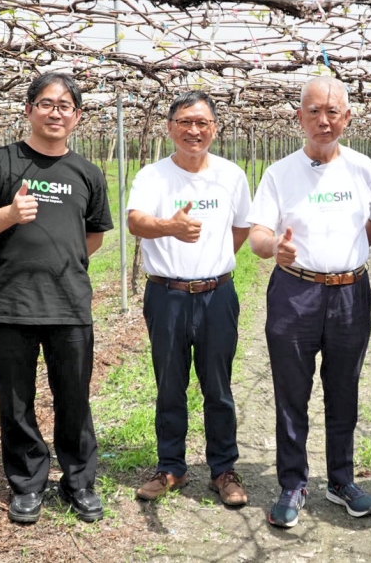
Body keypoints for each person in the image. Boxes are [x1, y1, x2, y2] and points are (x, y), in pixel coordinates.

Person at [0, 72, 113, 524]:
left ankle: (79, 481)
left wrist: (60, 261)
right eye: (46, 103)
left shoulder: (87, 172)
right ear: (29, 110)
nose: (55, 112)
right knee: (16, 400)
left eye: (65, 105)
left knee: (74, 398)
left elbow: (95, 237)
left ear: (77, 116)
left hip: (69, 303)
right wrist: (9, 214)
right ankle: (28, 484)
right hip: (10, 303)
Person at [247, 76, 371, 528]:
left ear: (347, 118)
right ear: (299, 117)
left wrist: (349, 257)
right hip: (295, 292)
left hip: (350, 293)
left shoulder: (364, 168)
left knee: (344, 388)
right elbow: (258, 234)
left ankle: (341, 479)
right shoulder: (278, 172)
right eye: (313, 111)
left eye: (333, 112)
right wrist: (276, 250)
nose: (323, 121)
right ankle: (293, 482)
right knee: (292, 391)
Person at [128, 91, 252, 507]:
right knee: (169, 383)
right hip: (167, 294)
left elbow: (240, 229)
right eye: (184, 122)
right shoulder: (153, 176)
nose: (193, 130)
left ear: (214, 128)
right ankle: (171, 468)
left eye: (201, 122)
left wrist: (213, 261)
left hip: (218, 294)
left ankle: (223, 469)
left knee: (218, 385)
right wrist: (170, 228)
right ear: (170, 127)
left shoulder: (232, 175)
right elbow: (136, 222)